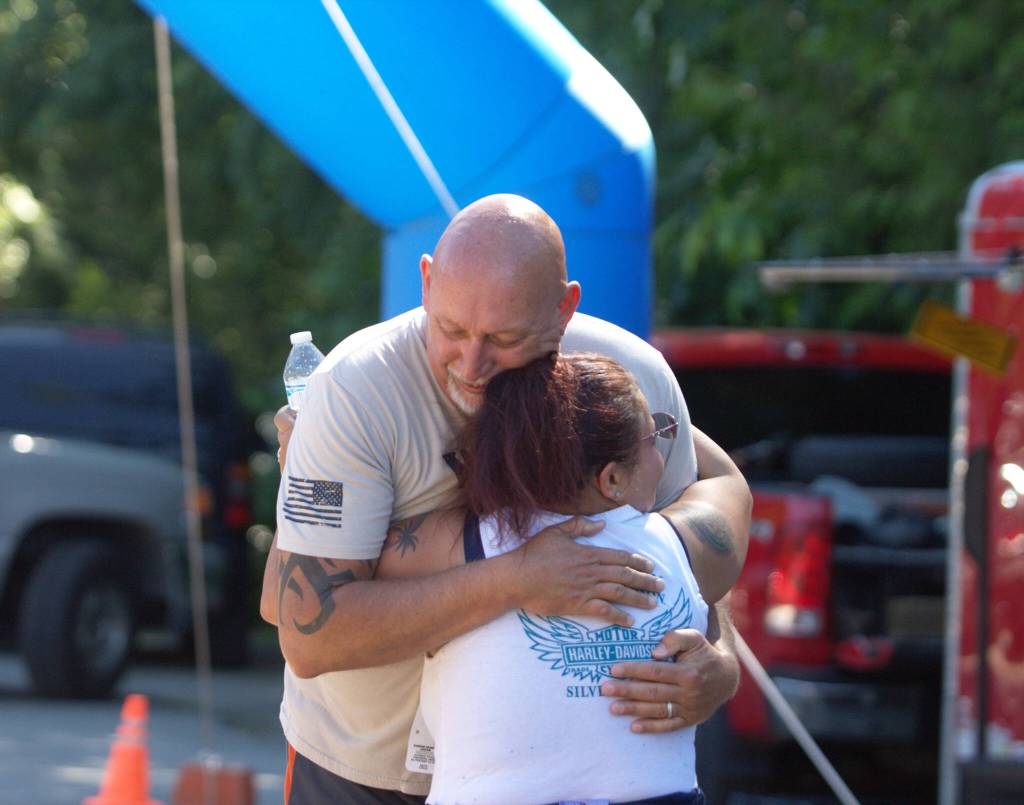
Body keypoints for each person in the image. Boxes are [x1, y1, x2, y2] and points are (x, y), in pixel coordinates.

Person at [261, 194, 751, 802]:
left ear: (564, 307)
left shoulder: (630, 379)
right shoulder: (354, 390)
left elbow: (681, 553)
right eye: (451, 329)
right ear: (426, 281)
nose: (471, 363)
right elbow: (309, 637)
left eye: (504, 337)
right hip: (365, 769)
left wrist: (722, 661)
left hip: (552, 784)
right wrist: (515, 579)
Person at [376, 352, 711, 804]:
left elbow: (336, 561)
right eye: (655, 440)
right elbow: (731, 485)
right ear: (611, 479)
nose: (662, 455)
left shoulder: (463, 542)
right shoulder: (680, 541)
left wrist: (306, 449)